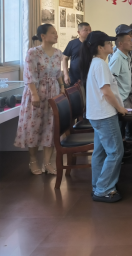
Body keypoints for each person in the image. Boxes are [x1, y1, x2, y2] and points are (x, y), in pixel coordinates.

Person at [80, 31, 129, 203]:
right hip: (105, 114)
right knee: (116, 151)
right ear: (100, 47)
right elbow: (106, 92)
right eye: (109, 43)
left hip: (97, 114)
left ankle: (98, 185)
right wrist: (120, 108)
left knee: (100, 152)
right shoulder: (100, 64)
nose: (112, 45)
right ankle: (104, 190)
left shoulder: (96, 63)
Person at [14, 24, 65, 175]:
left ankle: (47, 163)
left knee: (51, 127)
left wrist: (62, 86)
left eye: (56, 33)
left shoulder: (58, 53)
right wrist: (34, 94)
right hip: (36, 92)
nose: (56, 35)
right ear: (43, 36)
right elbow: (29, 75)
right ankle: (33, 160)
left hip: (53, 93)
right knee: (34, 126)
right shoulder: (33, 52)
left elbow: (58, 74)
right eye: (53, 33)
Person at [62, 22, 91, 87]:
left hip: (89, 78)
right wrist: (66, 75)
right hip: (74, 78)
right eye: (86, 30)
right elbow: (65, 58)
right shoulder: (72, 43)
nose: (89, 32)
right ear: (79, 32)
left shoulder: (92, 44)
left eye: (90, 30)